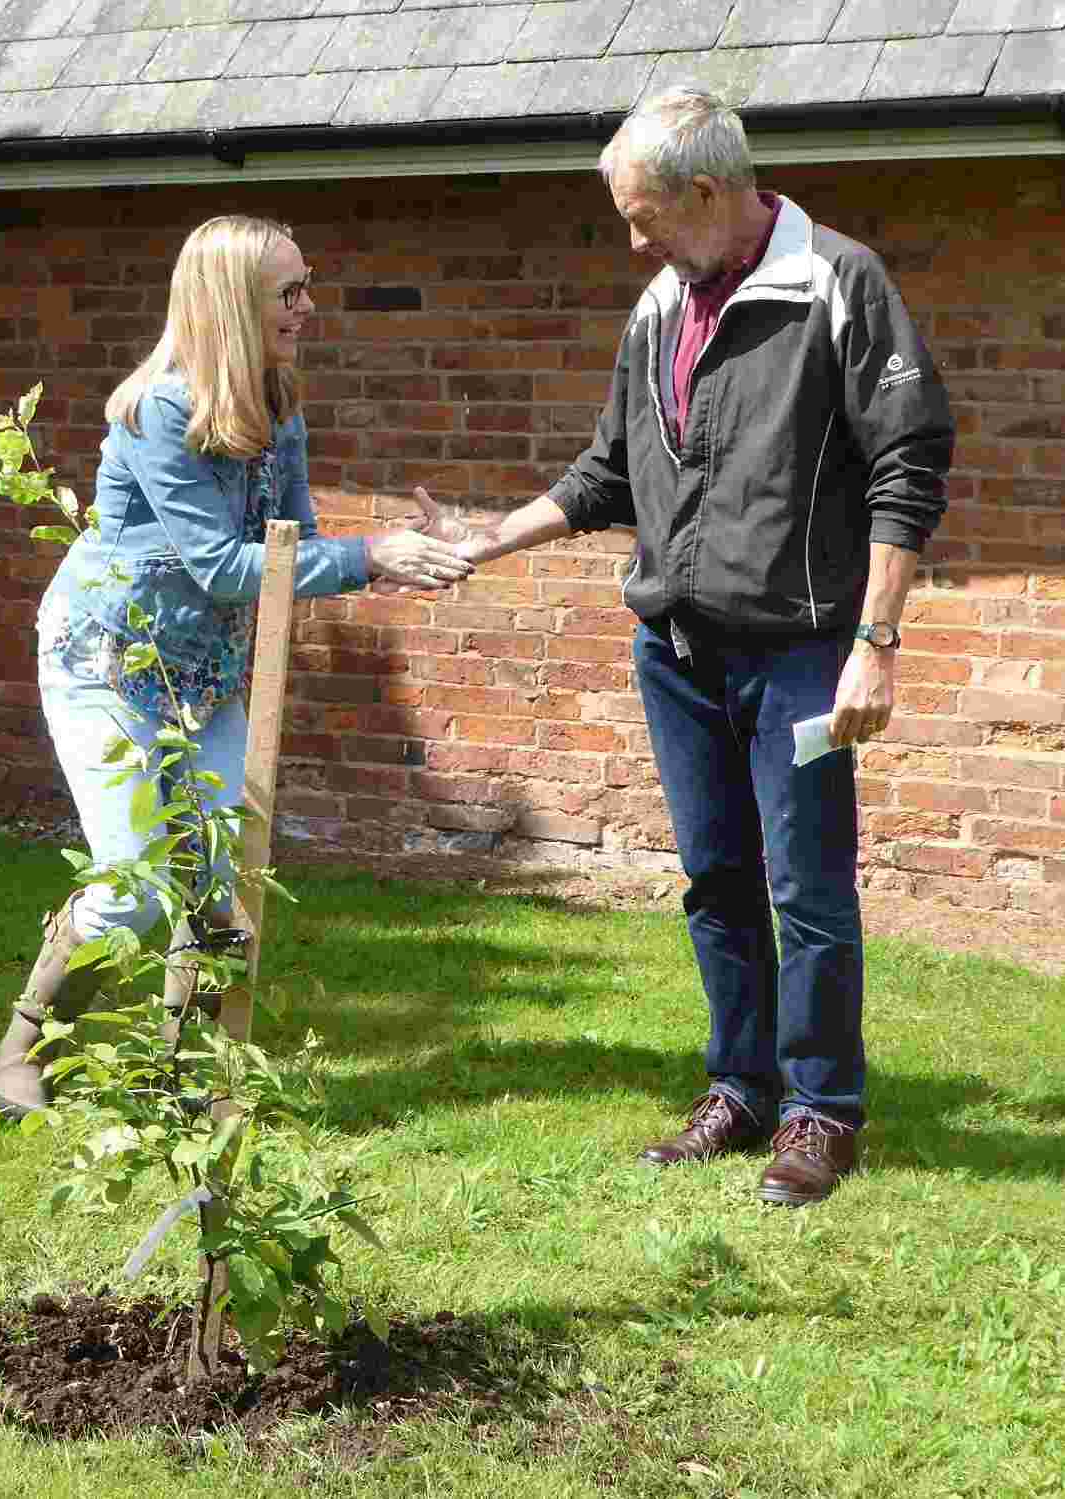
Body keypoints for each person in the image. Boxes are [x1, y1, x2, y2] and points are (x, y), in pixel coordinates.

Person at [419, 90, 953, 1205]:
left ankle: (821, 1110)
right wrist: (489, 538)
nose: (634, 240)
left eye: (644, 213)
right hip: (676, 652)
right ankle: (741, 1087)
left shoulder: (836, 284)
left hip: (801, 655)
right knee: (715, 879)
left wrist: (877, 642)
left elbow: (907, 467)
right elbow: (610, 470)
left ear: (709, 193)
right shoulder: (662, 305)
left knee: (804, 885)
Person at [0, 214, 472, 1121]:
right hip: (106, 662)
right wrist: (377, 553)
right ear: (233, 301)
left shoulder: (279, 406)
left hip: (201, 672)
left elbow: (296, 550)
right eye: (290, 292)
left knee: (218, 885)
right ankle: (21, 1050)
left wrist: (415, 552)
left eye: (307, 285)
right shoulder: (161, 410)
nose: (308, 307)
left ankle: (179, 1082)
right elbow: (224, 566)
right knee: (130, 885)